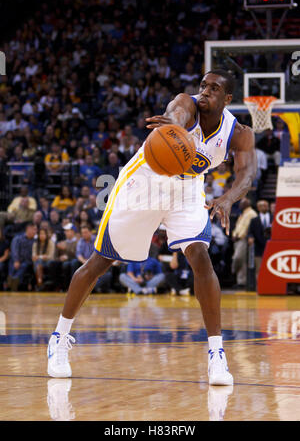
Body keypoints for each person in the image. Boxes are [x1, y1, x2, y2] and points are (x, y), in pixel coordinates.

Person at [47, 70, 257, 386]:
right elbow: (178, 110)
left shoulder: (238, 133)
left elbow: (247, 173)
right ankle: (58, 337)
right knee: (100, 262)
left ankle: (216, 355)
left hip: (186, 190)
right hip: (144, 182)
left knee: (200, 257)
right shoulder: (187, 104)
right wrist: (174, 125)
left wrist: (227, 199)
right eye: (203, 85)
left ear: (228, 99)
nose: (204, 92)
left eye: (213, 89)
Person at [231, 198, 257, 288]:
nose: (239, 205)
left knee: (238, 258)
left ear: (246, 204)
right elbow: (238, 226)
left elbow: (249, 228)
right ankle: (241, 282)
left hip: (244, 239)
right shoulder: (242, 213)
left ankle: (233, 270)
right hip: (237, 240)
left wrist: (239, 236)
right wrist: (234, 234)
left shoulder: (252, 213)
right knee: (242, 261)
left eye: (241, 204)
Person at [7, 223, 37, 291]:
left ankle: (14, 283)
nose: (35, 231)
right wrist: (16, 260)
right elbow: (14, 250)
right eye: (34, 229)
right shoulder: (18, 238)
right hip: (16, 260)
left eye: (36, 230)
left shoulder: (35, 241)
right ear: (28, 229)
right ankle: (10, 282)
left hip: (28, 261)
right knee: (12, 266)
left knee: (24, 266)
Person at [248, 200, 273, 281]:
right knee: (259, 268)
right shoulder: (254, 220)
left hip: (272, 246)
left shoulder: (274, 217)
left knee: (272, 267)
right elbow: (250, 232)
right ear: (258, 208)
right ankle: (259, 286)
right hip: (259, 247)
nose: (265, 207)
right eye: (262, 205)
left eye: (266, 205)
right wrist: (250, 237)